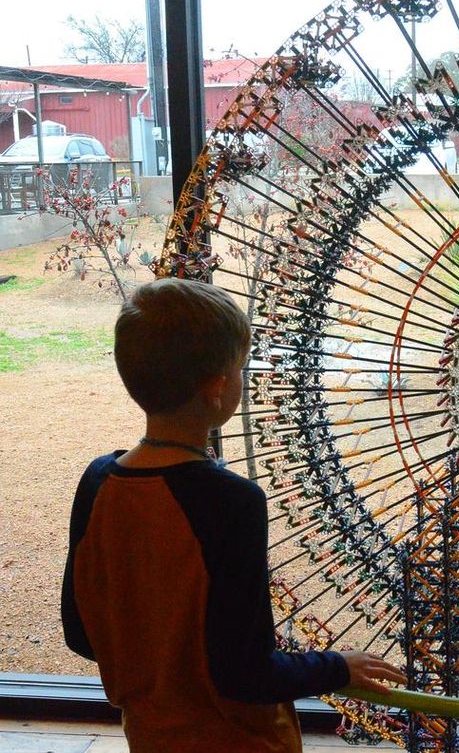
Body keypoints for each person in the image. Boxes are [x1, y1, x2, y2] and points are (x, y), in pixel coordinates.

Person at [62, 278, 405, 752]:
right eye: (240, 368)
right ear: (218, 388)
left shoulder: (98, 482)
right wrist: (337, 666)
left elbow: (82, 633)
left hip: (149, 736)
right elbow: (246, 673)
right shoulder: (231, 501)